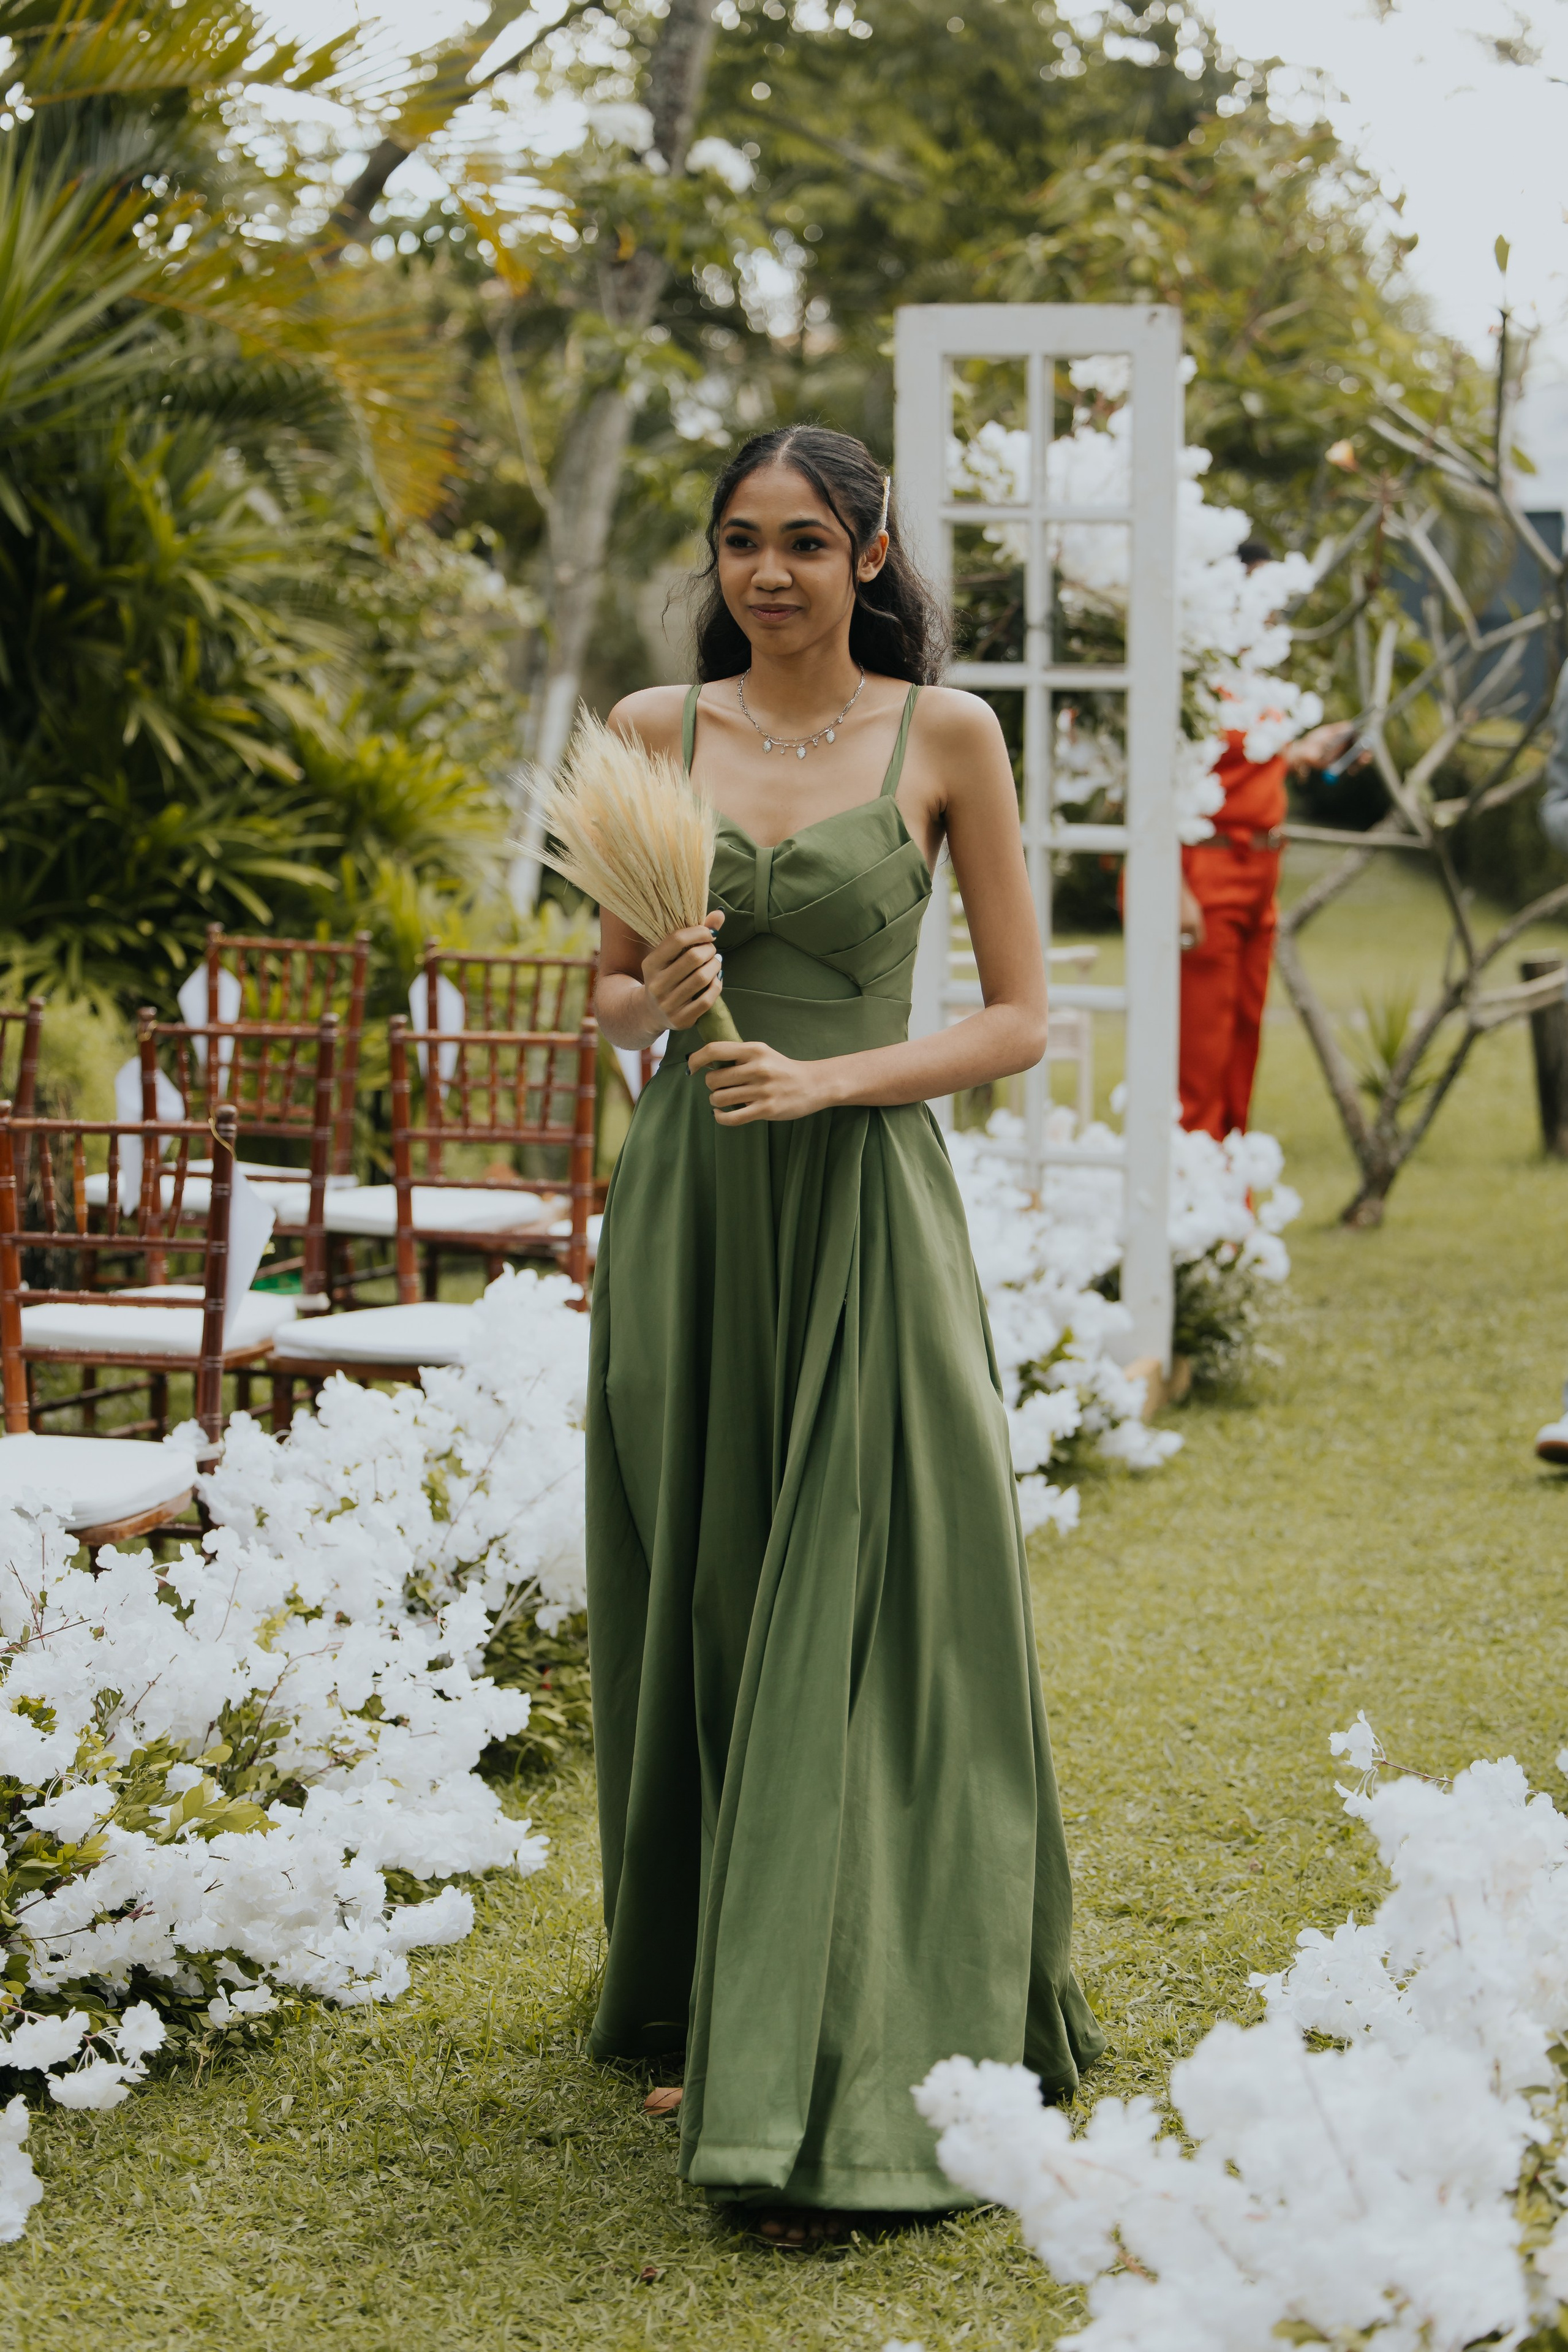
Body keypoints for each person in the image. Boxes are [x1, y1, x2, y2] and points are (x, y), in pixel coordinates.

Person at [587, 424, 1103, 2244]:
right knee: (718, 1579)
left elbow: (1022, 1018)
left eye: (806, 539)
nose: (770, 573)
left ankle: (858, 2003)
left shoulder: (944, 736)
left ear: (872, 550)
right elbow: (599, 1001)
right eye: (739, 540)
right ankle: (724, 1984)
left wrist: (832, 1077)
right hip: (696, 1209)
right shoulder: (654, 731)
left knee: (873, 1585)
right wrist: (654, 987)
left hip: (864, 1196)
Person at [1179, 536, 1361, 1140]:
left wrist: (1306, 752)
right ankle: (1193, 1213)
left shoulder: (1257, 677)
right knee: (1199, 1059)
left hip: (1261, 874)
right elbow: (1156, 783)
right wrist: (1167, 883)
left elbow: (1246, 765)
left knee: (1241, 1045)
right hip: (1204, 871)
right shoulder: (1191, 676)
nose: (1269, 616)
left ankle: (1233, 1212)